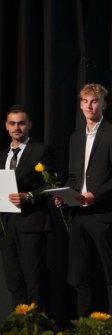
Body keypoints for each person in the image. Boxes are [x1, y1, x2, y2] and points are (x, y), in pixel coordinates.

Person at [60, 84, 112, 320]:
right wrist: (63, 196)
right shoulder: (75, 137)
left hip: (103, 215)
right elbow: (73, 177)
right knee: (81, 276)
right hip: (79, 215)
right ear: (80, 105)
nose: (89, 106)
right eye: (85, 101)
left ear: (103, 105)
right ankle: (85, 328)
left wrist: (95, 195)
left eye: (94, 101)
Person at [1, 105, 55, 308]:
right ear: (6, 126)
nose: (17, 128)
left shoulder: (41, 150)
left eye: (21, 123)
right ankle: (19, 325)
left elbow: (51, 184)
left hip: (32, 224)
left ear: (29, 125)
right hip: (7, 226)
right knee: (14, 282)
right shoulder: (2, 155)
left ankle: (37, 326)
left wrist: (30, 196)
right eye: (12, 123)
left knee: (34, 281)